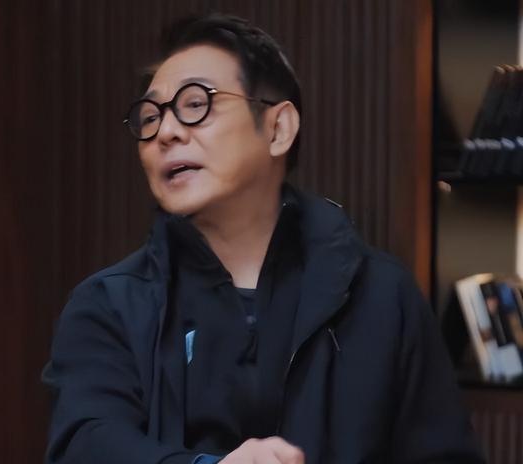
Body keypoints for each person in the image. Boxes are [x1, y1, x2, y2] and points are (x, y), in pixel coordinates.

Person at [42, 13, 484, 464]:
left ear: (278, 129)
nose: (167, 133)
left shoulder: (383, 297)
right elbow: (87, 444)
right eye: (150, 117)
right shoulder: (109, 306)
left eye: (196, 104)